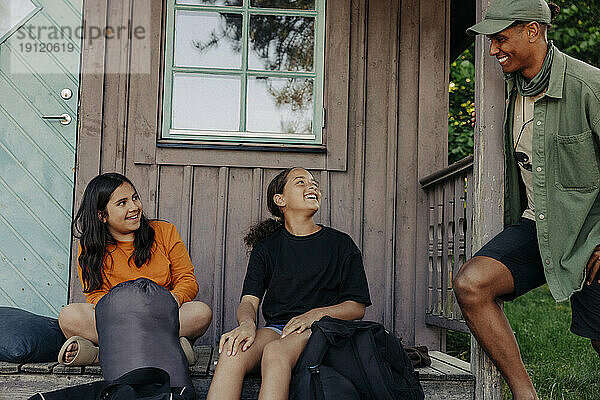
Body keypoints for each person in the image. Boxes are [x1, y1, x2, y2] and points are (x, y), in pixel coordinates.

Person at [453, 1, 600, 399]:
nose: (493, 50)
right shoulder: (512, 93)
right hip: (540, 225)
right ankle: (524, 394)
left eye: (501, 38)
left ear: (532, 31)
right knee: (471, 284)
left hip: (591, 235)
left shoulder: (590, 87)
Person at [206, 167, 371, 400]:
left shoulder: (341, 244)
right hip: (277, 330)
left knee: (276, 352)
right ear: (280, 199)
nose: (312, 186)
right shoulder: (266, 248)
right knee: (233, 350)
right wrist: (246, 324)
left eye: (314, 183)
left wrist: (313, 315)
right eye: (301, 182)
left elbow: (357, 307)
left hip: (323, 331)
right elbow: (249, 301)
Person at [57, 173, 212, 366]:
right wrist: (126, 311)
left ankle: (99, 356)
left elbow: (187, 280)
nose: (134, 207)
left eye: (135, 198)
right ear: (102, 215)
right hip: (118, 318)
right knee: (69, 316)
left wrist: (172, 299)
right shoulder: (90, 247)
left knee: (200, 312)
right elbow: (96, 295)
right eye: (122, 203)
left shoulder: (165, 232)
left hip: (161, 314)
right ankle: (169, 350)